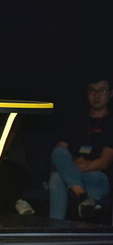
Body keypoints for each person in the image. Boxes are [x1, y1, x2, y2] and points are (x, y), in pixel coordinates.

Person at [49, 76, 113, 220]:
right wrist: (74, 162)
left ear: (110, 93)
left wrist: (79, 166)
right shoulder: (76, 120)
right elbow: (60, 151)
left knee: (58, 176)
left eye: (102, 90)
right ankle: (83, 198)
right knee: (57, 158)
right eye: (92, 90)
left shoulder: (110, 122)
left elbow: (105, 162)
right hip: (73, 175)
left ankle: (55, 225)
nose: (96, 95)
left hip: (97, 179)